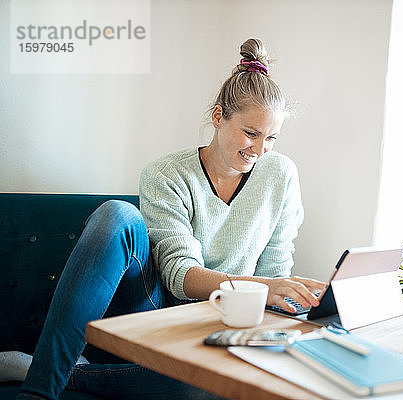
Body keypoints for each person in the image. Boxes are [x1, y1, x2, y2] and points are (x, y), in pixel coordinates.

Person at [7, 38, 325, 400]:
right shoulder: (166, 173)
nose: (259, 149)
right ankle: (39, 388)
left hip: (222, 327)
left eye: (271, 138)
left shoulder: (280, 174)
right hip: (157, 308)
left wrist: (296, 301)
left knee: (206, 380)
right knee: (117, 214)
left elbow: (274, 270)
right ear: (218, 117)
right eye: (250, 133)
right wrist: (263, 287)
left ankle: (72, 374)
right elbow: (178, 275)